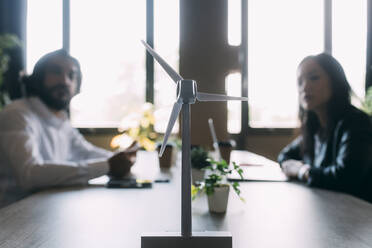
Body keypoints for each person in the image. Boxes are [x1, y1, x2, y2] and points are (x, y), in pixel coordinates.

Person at [0, 49, 137, 208]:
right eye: (56, 72)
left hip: (48, 209)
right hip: (14, 220)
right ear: (38, 77)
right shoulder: (17, 114)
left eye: (72, 75)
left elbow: (85, 152)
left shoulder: (60, 119)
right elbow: (30, 174)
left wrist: (123, 158)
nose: (65, 81)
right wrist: (108, 166)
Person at [278, 53, 372, 203]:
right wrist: (297, 168)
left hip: (357, 217)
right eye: (300, 81)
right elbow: (284, 156)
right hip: (327, 209)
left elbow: (347, 177)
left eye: (313, 78)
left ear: (335, 81)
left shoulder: (355, 122)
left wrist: (302, 171)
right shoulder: (315, 128)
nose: (305, 87)